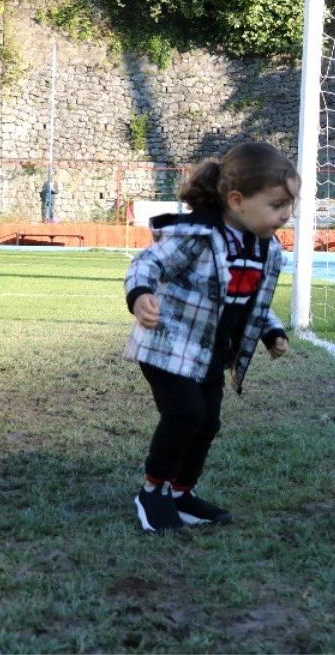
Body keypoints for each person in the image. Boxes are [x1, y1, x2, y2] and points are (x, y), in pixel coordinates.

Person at [124, 141, 299, 532]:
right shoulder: (198, 235)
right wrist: (141, 295)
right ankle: (152, 494)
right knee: (186, 414)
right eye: (276, 205)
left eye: (290, 205)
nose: (286, 215)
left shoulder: (264, 248)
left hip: (209, 354)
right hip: (167, 346)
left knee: (207, 423)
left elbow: (251, 299)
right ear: (237, 200)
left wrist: (272, 331)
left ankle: (181, 493)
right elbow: (147, 263)